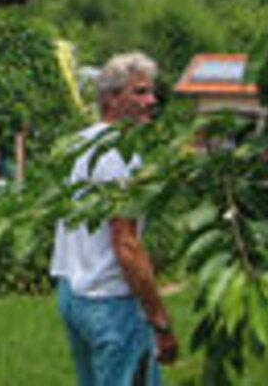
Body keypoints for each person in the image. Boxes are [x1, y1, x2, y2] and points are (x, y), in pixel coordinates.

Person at [51, 51, 178, 385]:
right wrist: (159, 320)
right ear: (111, 99)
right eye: (140, 92)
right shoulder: (118, 155)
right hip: (111, 302)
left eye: (152, 91)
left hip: (73, 296)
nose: (151, 100)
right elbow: (126, 245)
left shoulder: (79, 144)